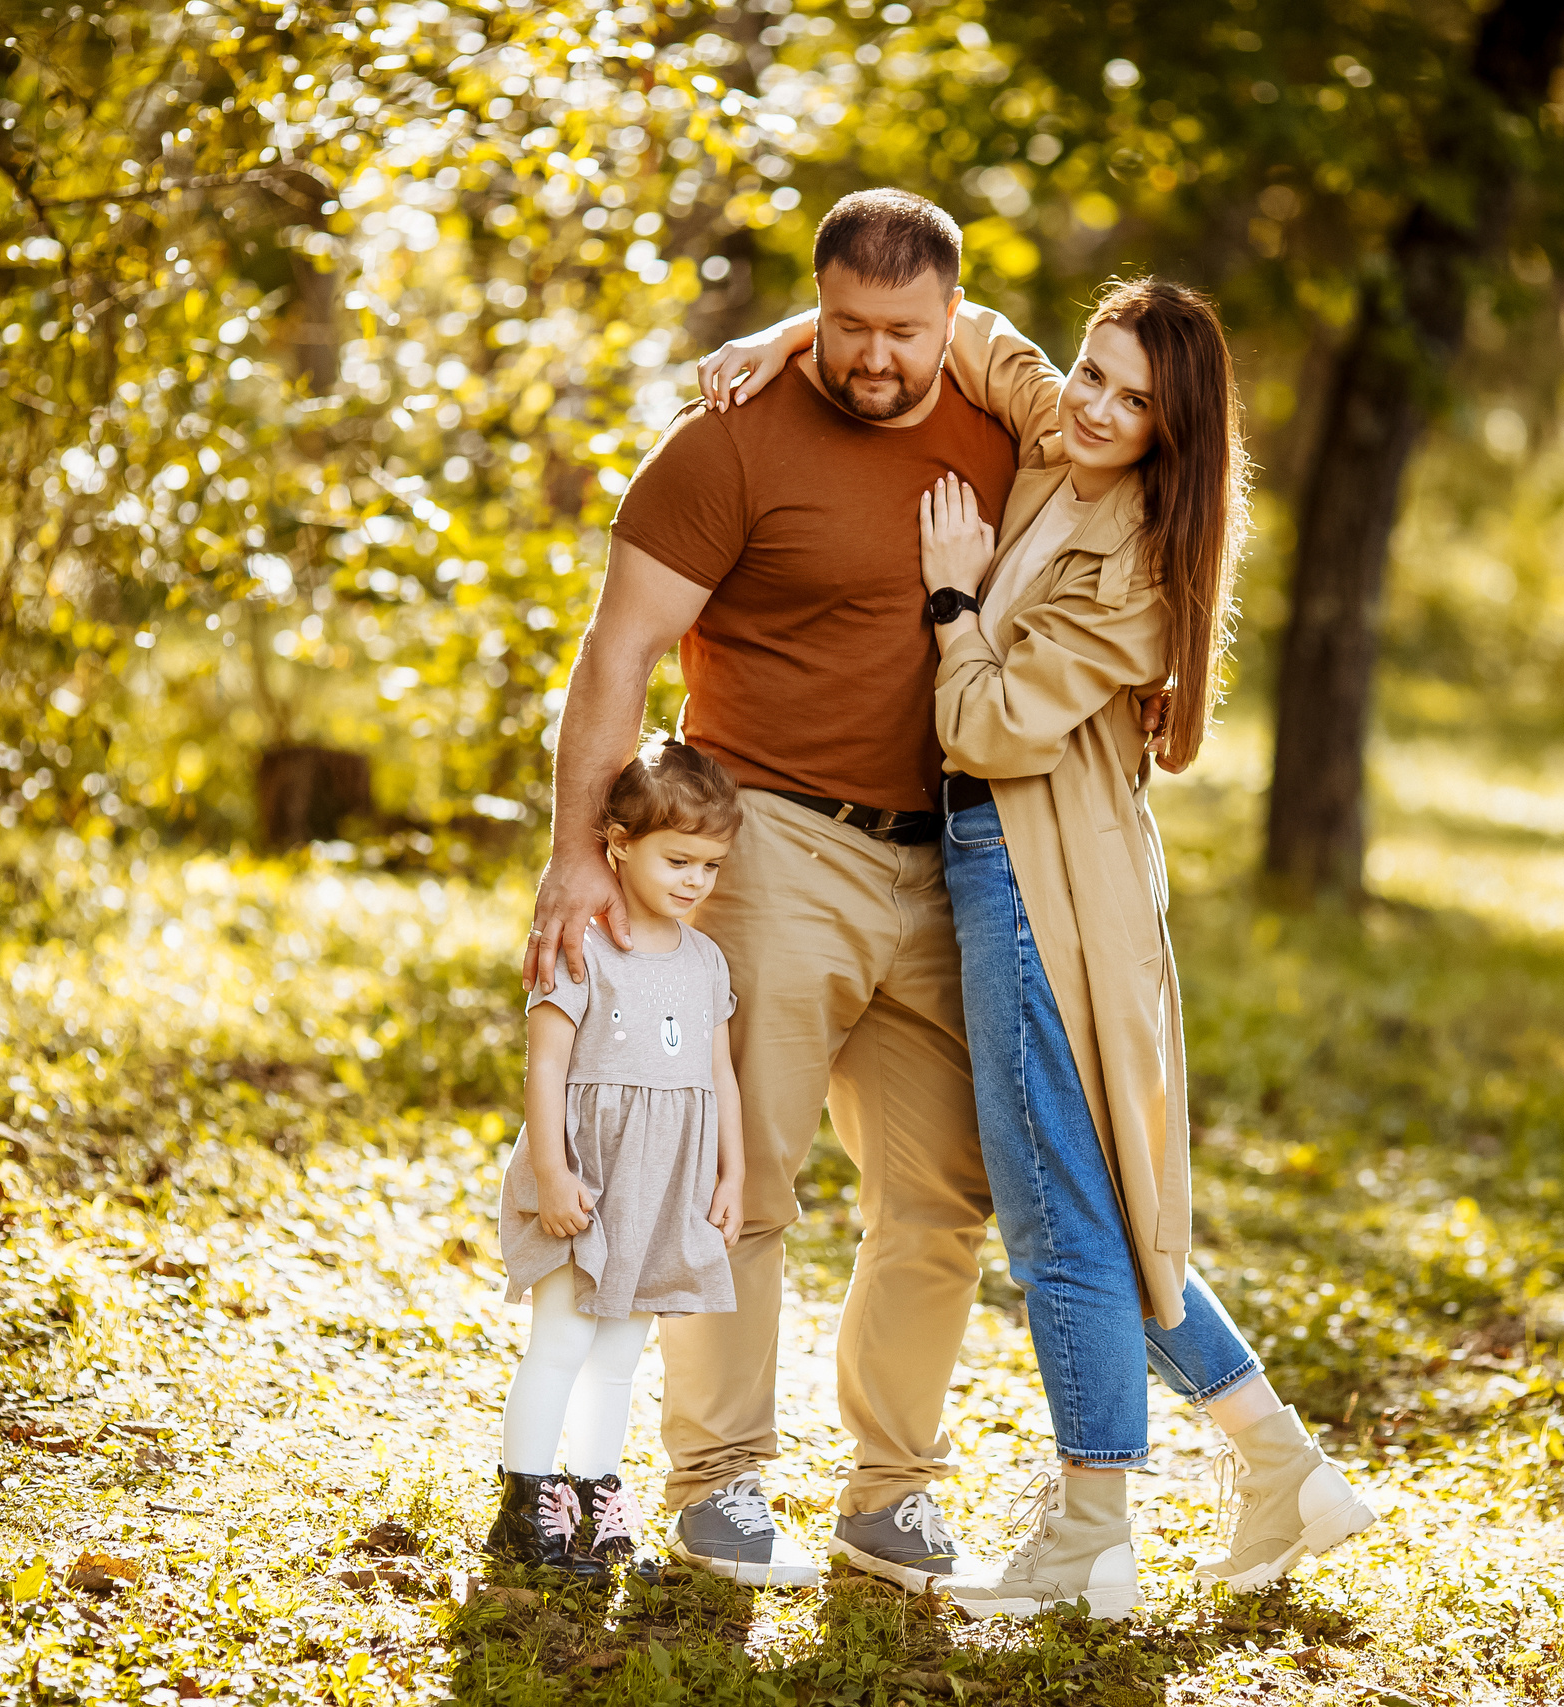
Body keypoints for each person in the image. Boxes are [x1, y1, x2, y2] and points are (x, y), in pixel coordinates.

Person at [697, 280, 1376, 1618]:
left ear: (1175, 435)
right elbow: (946, 321)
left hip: (1036, 881)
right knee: (1101, 1201)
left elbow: (994, 728)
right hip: (988, 865)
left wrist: (953, 600)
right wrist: (781, 337)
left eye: (1134, 402)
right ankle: (1280, 1463)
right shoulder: (1055, 433)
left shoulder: (1141, 562)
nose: (1097, 405)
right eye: (1092, 371)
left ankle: (1092, 1534)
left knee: (1066, 1217)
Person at [519, 188, 1064, 1591]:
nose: (874, 357)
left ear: (956, 320)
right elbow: (618, 651)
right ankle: (720, 1480)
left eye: (906, 332)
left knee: (943, 1193)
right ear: (812, 303)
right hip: (773, 838)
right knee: (738, 1172)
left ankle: (891, 1495)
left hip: (950, 853)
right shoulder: (728, 439)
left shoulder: (1005, 421)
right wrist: (580, 848)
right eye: (844, 324)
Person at [487, 740, 747, 1580]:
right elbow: (548, 1066)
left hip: (663, 1188)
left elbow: (719, 1077)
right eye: (678, 859)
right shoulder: (582, 945)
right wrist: (555, 1174)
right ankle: (527, 1504)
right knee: (561, 1338)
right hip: (589, 1175)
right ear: (618, 842)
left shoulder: (706, 960)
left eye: (710, 864)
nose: (694, 880)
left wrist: (730, 1174)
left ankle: (597, 1493)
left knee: (621, 1356)